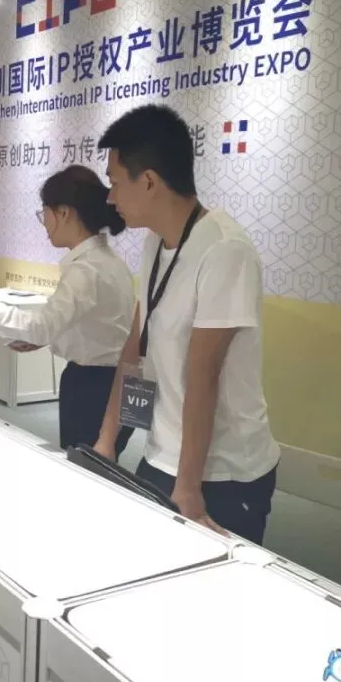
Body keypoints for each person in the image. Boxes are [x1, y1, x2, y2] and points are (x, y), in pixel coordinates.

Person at [92, 104, 280, 544]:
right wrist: (106, 440)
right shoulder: (154, 244)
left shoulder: (225, 250)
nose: (110, 198)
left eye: (115, 182)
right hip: (163, 455)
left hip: (222, 472)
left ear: (149, 181)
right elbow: (134, 347)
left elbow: (204, 373)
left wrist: (189, 487)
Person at [0, 165, 135, 454]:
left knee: (84, 468)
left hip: (93, 388)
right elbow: (91, 326)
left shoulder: (86, 270)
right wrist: (46, 338)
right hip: (110, 383)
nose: (43, 222)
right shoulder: (107, 262)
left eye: (44, 212)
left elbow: (43, 325)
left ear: (64, 213)